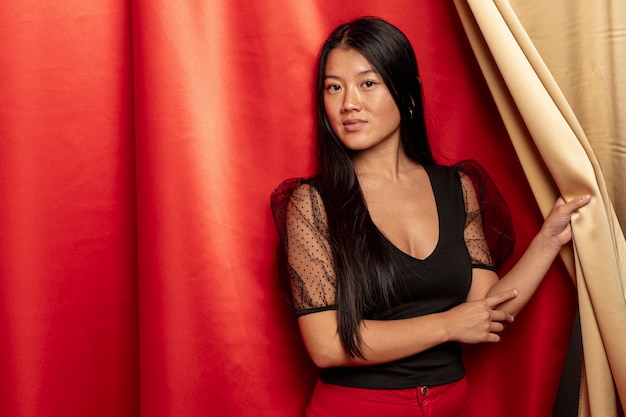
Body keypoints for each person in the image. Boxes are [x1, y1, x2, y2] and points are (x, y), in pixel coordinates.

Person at [270, 16, 590, 417]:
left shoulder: (458, 187)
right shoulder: (312, 203)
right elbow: (328, 345)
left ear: (407, 95)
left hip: (451, 404)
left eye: (368, 83)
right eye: (334, 87)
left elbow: (486, 311)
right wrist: (448, 326)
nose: (348, 102)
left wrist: (548, 241)